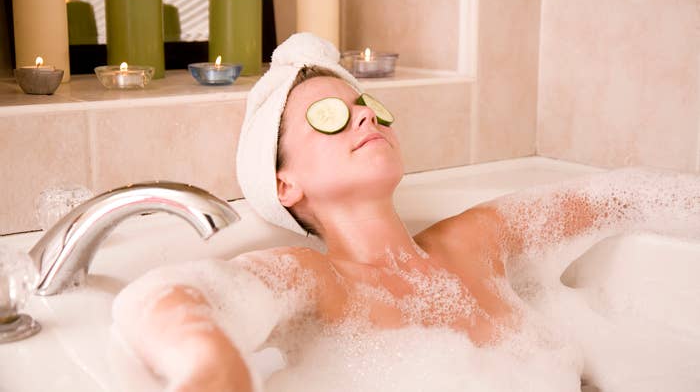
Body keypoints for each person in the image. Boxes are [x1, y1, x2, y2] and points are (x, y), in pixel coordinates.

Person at [112, 33, 699, 392]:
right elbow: (177, 300)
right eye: (329, 117)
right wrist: (215, 367)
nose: (366, 116)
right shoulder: (320, 281)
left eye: (366, 105)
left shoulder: (473, 242)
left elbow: (610, 199)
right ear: (284, 183)